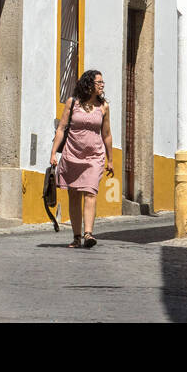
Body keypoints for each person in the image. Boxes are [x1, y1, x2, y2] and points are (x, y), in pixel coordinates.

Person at [50, 69, 114, 249]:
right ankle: (76, 236)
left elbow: (107, 134)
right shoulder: (73, 103)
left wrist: (110, 159)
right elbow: (61, 129)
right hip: (72, 155)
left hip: (94, 156)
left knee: (91, 192)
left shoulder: (104, 107)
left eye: (102, 83)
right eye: (99, 82)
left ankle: (88, 233)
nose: (102, 86)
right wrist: (54, 153)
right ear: (88, 84)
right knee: (74, 196)